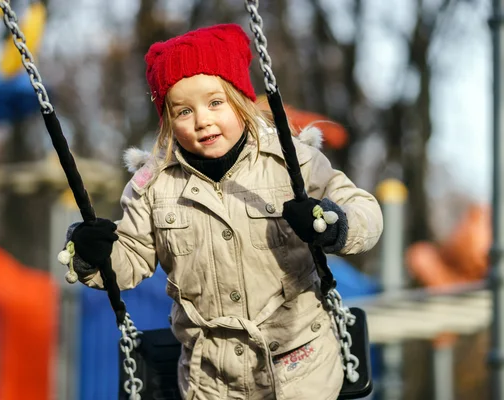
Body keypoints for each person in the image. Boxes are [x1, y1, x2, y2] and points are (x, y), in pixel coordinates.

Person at [61, 23, 383, 400]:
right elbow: (130, 258)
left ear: (241, 99)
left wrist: (333, 223)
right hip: (211, 378)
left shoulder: (291, 162)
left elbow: (364, 210)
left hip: (300, 364)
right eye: (183, 111)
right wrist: (90, 255)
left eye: (216, 102)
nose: (202, 120)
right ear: (167, 121)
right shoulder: (154, 187)